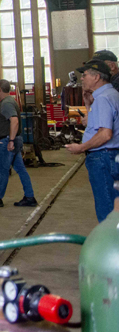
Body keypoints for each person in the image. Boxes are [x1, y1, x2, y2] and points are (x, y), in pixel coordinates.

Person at [64, 58, 119, 222]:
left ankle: (111, 245)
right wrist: (88, 105)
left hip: (103, 157)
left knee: (107, 210)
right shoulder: (112, 95)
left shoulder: (103, 99)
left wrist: (81, 147)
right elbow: (96, 124)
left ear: (96, 77)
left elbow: (105, 134)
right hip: (110, 156)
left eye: (85, 75)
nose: (81, 78)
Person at [0, 79, 37, 208]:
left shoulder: (6, 103)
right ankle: (29, 197)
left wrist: (10, 140)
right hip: (12, 139)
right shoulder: (9, 101)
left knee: (3, 170)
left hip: (7, 141)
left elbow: (14, 121)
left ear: (0, 89)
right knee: (20, 169)